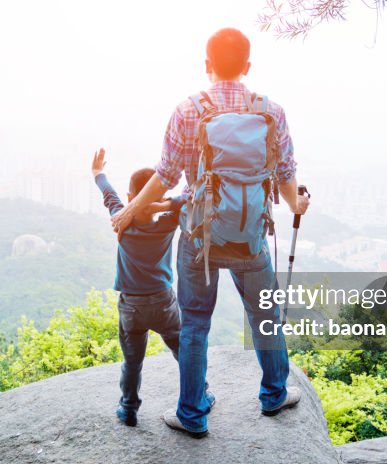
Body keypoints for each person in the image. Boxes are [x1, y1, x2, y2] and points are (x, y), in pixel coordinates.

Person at [111, 28, 310, 438]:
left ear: (207, 65)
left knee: (195, 324)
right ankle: (274, 393)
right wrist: (296, 205)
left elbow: (165, 176)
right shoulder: (271, 112)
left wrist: (130, 210)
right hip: (251, 237)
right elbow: (287, 177)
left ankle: (193, 414)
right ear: (248, 67)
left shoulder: (189, 109)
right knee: (265, 315)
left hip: (200, 239)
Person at [92, 148, 186, 427]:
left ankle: (129, 408)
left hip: (131, 305)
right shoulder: (167, 224)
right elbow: (184, 201)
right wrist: (160, 204)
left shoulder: (123, 220)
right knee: (183, 351)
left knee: (132, 362)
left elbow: (108, 193)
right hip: (163, 301)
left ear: (131, 198)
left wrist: (98, 172)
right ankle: (200, 391)